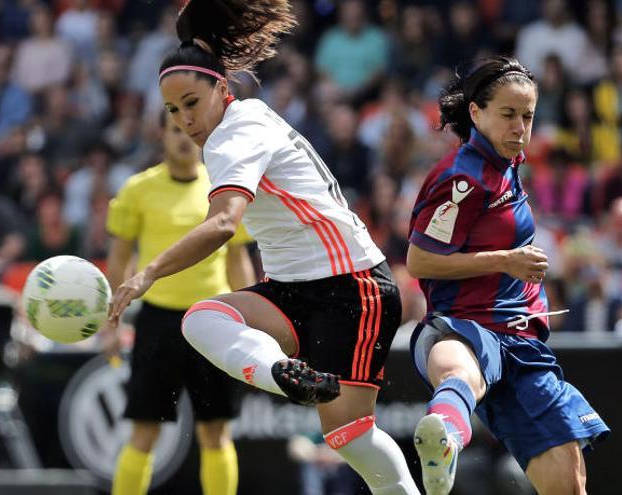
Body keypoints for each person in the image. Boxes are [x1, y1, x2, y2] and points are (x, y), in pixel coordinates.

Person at [107, 1, 420, 493]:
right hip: (292, 288)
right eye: (172, 110)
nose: (184, 119)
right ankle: (285, 373)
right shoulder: (234, 128)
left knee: (349, 439)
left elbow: (224, 225)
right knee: (202, 318)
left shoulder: (238, 131)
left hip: (353, 286)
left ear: (222, 89)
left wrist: (147, 274)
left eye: (191, 102)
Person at [406, 56, 609, 495]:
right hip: (464, 324)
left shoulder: (507, 166)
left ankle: (447, 426)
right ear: (476, 114)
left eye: (528, 116)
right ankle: (445, 432)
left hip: (522, 344)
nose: (520, 126)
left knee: (571, 485)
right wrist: (505, 260)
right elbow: (419, 261)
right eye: (508, 114)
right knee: (463, 371)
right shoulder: (462, 179)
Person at [104, 111, 256, 495]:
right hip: (157, 323)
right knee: (144, 431)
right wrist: (111, 324)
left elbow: (238, 260)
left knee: (217, 430)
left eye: (189, 129)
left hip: (214, 321)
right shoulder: (138, 189)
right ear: (163, 134)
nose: (183, 138)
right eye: (174, 129)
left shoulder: (224, 188)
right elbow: (119, 259)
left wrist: (253, 322)